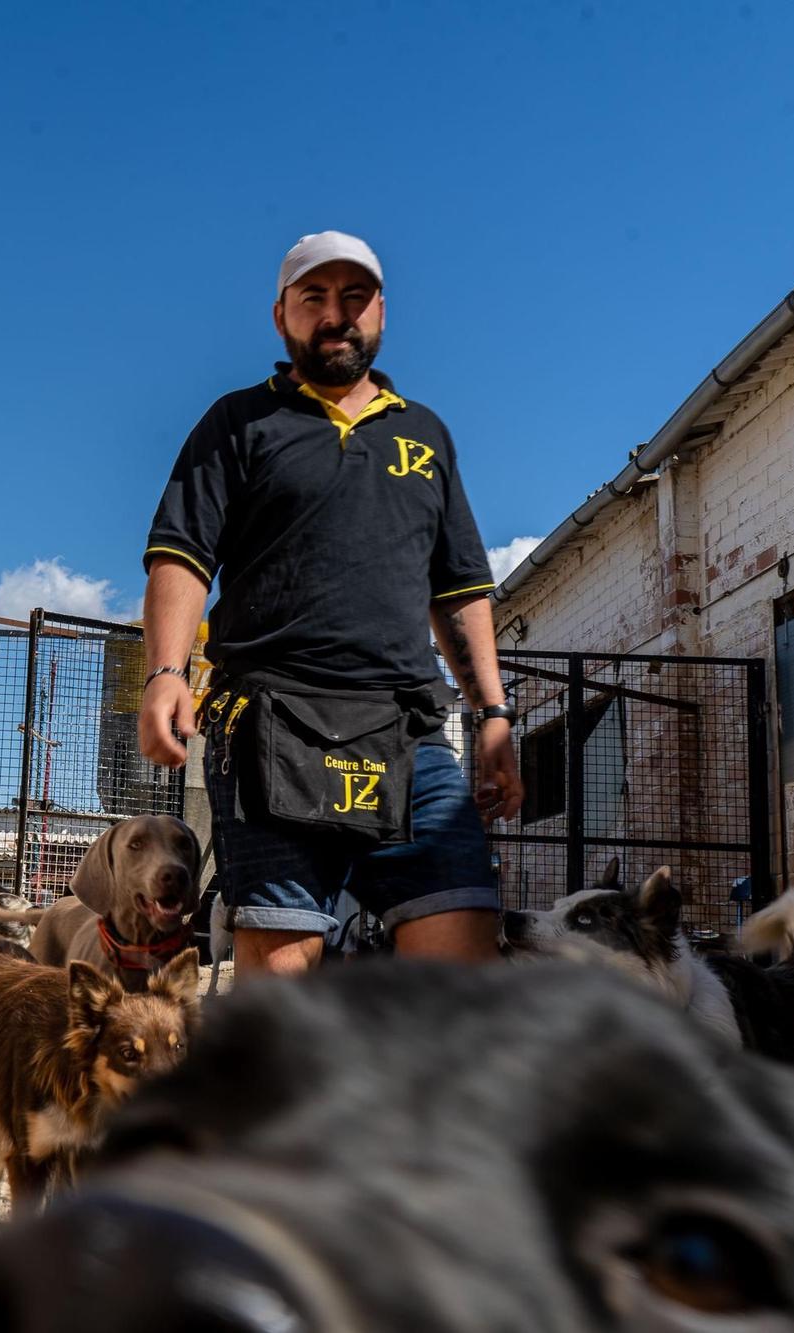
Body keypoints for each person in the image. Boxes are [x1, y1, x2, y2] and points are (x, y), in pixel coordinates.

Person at [137, 231, 524, 976]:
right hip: (271, 726)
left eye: (354, 297)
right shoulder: (239, 422)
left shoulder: (425, 436)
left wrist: (495, 717)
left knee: (462, 974)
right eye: (314, 297)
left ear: (381, 311)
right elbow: (181, 552)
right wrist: (165, 672)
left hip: (410, 731)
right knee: (283, 987)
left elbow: (460, 589)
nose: (336, 314)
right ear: (282, 315)